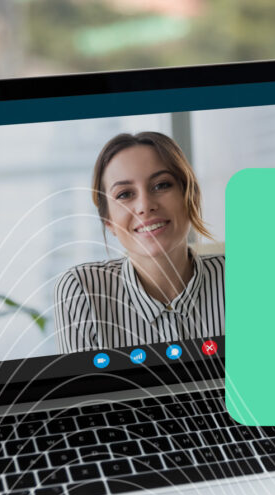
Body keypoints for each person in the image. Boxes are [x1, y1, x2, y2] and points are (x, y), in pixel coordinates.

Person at [54, 132, 224, 353]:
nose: (145, 205)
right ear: (108, 222)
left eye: (161, 185)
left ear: (190, 197)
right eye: (124, 194)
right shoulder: (81, 291)